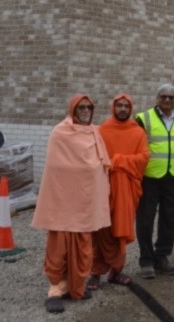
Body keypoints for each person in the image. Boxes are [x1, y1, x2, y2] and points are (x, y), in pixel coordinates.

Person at [32, 94, 111, 314]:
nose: (85, 110)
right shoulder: (60, 132)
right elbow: (56, 168)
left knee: (84, 248)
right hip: (62, 204)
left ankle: (75, 287)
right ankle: (55, 290)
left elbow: (101, 166)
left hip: (85, 204)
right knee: (59, 248)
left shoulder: (95, 132)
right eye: (81, 107)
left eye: (89, 107)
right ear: (72, 110)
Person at [87, 94, 149, 291]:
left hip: (127, 190)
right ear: (113, 107)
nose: (122, 109)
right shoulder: (102, 130)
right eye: (119, 105)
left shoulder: (137, 132)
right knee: (100, 230)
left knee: (120, 231)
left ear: (131, 109)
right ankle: (95, 273)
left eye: (126, 106)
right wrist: (116, 164)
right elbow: (95, 158)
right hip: (104, 189)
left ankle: (116, 270)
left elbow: (144, 158)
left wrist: (118, 161)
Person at [134, 84, 174, 279]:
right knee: (145, 219)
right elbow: (135, 147)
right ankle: (146, 260)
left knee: (169, 219)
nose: (167, 100)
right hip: (150, 178)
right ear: (157, 98)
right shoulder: (143, 119)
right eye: (163, 97)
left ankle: (162, 258)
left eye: (171, 97)